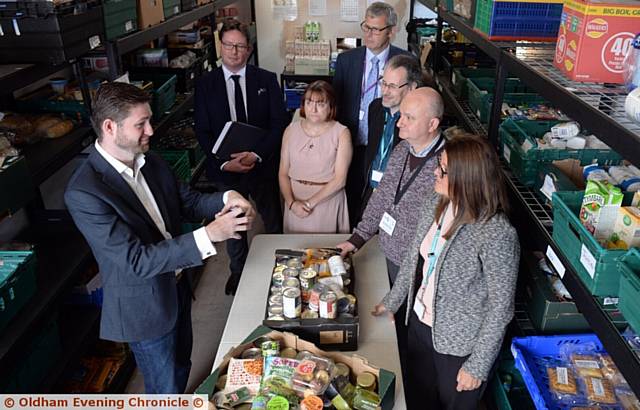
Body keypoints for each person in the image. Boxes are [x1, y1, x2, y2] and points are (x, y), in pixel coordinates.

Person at [64, 82, 256, 394]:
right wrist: (209, 234)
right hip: (145, 305)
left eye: (149, 120)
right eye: (141, 124)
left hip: (177, 285)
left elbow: (189, 202)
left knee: (182, 364)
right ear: (110, 127)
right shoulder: (85, 192)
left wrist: (227, 197)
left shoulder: (149, 161)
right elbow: (135, 260)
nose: (151, 131)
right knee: (162, 386)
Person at [373, 134, 520, 410]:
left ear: (467, 178)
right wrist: (393, 300)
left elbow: (501, 308)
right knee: (419, 401)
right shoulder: (435, 203)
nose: (435, 172)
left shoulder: (496, 233)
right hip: (419, 326)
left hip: (459, 348)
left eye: (443, 169)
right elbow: (413, 258)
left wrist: (476, 366)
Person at [336, 87, 446, 385]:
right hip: (386, 254)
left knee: (409, 337)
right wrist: (357, 239)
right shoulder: (400, 150)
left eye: (408, 118)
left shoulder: (447, 167)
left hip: (416, 270)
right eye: (401, 116)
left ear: (432, 124)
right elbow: (382, 198)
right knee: (385, 327)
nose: (399, 123)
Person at [195, 18, 289, 295]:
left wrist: (257, 154)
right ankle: (238, 271)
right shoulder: (206, 85)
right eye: (229, 45)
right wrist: (225, 162)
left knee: (272, 217)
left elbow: (279, 123)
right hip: (226, 170)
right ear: (220, 47)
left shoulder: (267, 80)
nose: (234, 51)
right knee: (234, 225)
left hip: (261, 165)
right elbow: (202, 130)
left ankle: (281, 265)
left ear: (248, 49)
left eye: (240, 46)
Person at [332, 2, 411, 227]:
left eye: (376, 29)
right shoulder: (347, 60)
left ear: (391, 31)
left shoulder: (405, 62)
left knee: (380, 202)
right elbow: (336, 103)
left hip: (385, 147)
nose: (369, 34)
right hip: (352, 142)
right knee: (351, 196)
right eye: (366, 27)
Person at [279, 81, 352, 233]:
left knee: (326, 252)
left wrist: (308, 204)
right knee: (294, 252)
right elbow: (283, 173)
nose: (313, 108)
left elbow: (340, 179)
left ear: (331, 107)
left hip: (326, 202)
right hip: (294, 201)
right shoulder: (290, 130)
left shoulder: (342, 133)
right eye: (309, 102)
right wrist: (292, 204)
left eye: (320, 103)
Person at [362, 54, 423, 211]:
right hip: (370, 192)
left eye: (393, 86)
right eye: (384, 83)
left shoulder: (416, 124)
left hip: (397, 202)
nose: (385, 91)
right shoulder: (375, 108)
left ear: (411, 88)